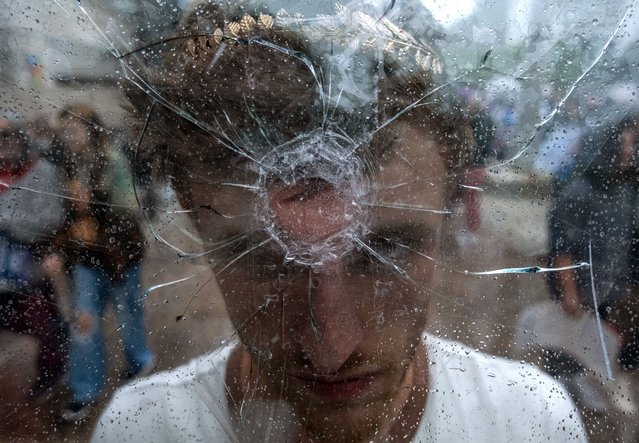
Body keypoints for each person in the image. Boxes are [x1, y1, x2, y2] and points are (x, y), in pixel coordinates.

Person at [92, 2, 586, 441]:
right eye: (267, 260)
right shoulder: (141, 428)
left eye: (386, 250)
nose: (332, 349)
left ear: (449, 199)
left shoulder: (532, 421)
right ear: (192, 212)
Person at [46, 104, 155, 421]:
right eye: (64, 129)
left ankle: (139, 363)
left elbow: (131, 208)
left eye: (75, 128)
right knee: (85, 323)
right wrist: (62, 245)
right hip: (85, 259)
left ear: (91, 128)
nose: (69, 135)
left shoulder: (112, 159)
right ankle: (85, 388)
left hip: (120, 257)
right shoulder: (66, 163)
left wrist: (95, 199)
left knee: (129, 311)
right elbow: (66, 215)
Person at [547, 111, 639, 369]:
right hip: (580, 291)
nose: (632, 151)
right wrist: (570, 293)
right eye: (629, 143)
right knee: (565, 353)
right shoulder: (580, 191)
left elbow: (628, 239)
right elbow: (562, 246)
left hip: (609, 291)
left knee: (594, 356)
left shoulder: (626, 190)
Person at [0, 121, 68, 399]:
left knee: (45, 326)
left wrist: (7, 222)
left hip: (31, 266)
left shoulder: (43, 172)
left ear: (21, 141)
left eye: (8, 139)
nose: (4, 146)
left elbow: (51, 218)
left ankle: (51, 375)